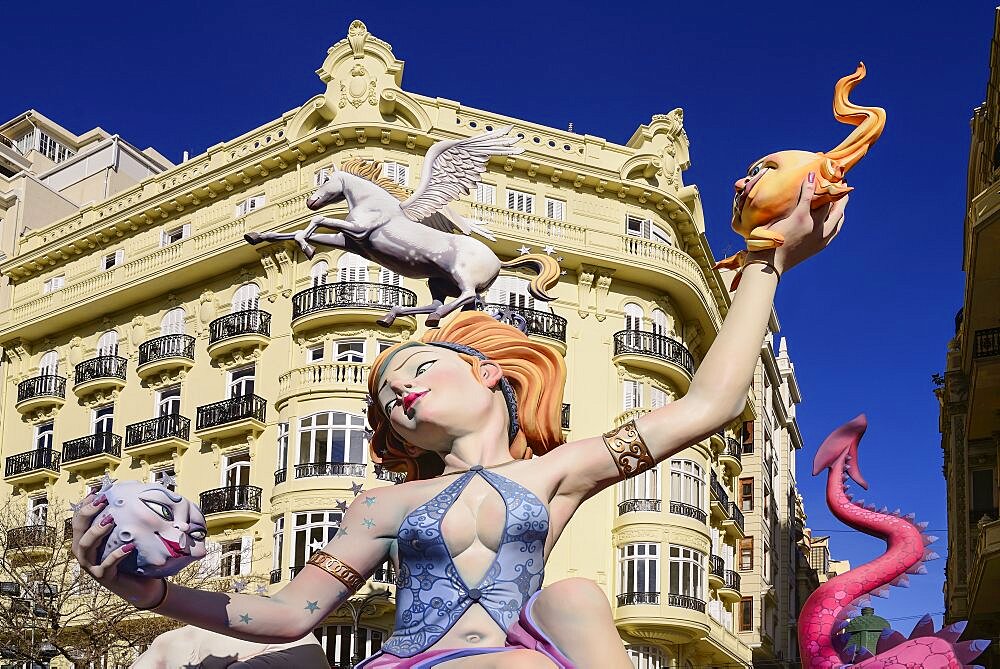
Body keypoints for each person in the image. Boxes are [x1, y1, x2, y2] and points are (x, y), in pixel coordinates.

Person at [73, 174, 846, 668]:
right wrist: (156, 597)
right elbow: (288, 612)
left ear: (484, 371)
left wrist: (766, 263)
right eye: (385, 402)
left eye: (414, 370)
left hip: (524, 659)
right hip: (414, 662)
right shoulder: (383, 504)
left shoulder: (557, 472)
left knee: (572, 598)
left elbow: (707, 406)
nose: (399, 394)